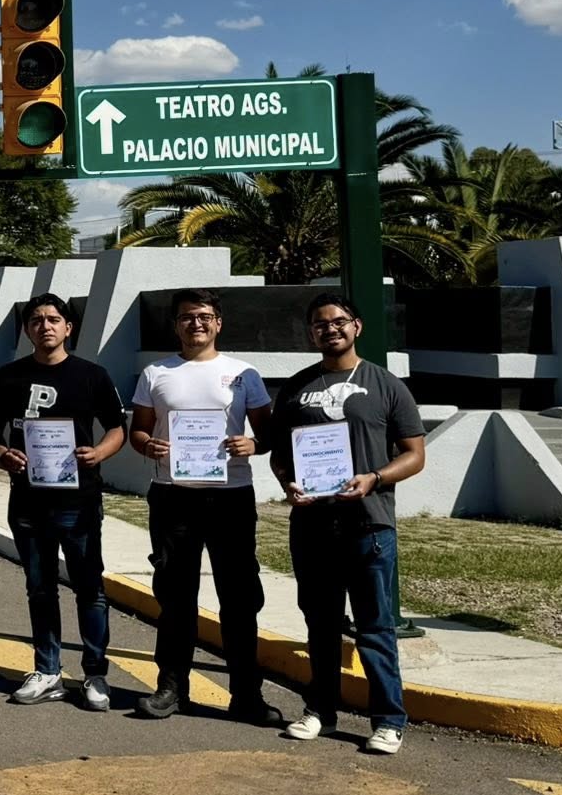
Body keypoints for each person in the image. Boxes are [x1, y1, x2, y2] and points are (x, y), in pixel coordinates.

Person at [269, 292, 427, 757]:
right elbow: (282, 456)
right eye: (320, 324)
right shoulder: (297, 388)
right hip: (313, 526)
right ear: (311, 333)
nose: (330, 329)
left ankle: (388, 720)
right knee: (319, 625)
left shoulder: (386, 385)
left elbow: (414, 454)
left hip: (369, 526)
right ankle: (319, 710)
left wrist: (375, 478)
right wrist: (289, 484)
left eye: (339, 321)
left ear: (356, 327)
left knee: (375, 627)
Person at [127, 287, 281, 725]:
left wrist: (253, 443)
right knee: (175, 597)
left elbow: (268, 434)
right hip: (173, 497)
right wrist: (148, 445)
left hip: (230, 497)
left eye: (205, 316)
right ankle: (172, 688)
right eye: (187, 317)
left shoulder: (243, 373)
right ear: (176, 324)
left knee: (239, 598)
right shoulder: (155, 373)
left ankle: (246, 695)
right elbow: (139, 431)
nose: (196, 323)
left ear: (218, 323)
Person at [0, 292, 126, 711]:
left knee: (89, 588)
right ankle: (47, 669)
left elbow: (117, 427)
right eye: (36, 320)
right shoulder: (9, 376)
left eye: (53, 319)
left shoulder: (92, 375)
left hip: (78, 500)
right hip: (28, 499)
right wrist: (3, 454)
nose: (44, 326)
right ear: (27, 329)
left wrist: (99, 453)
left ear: (68, 327)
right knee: (40, 588)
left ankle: (95, 674)